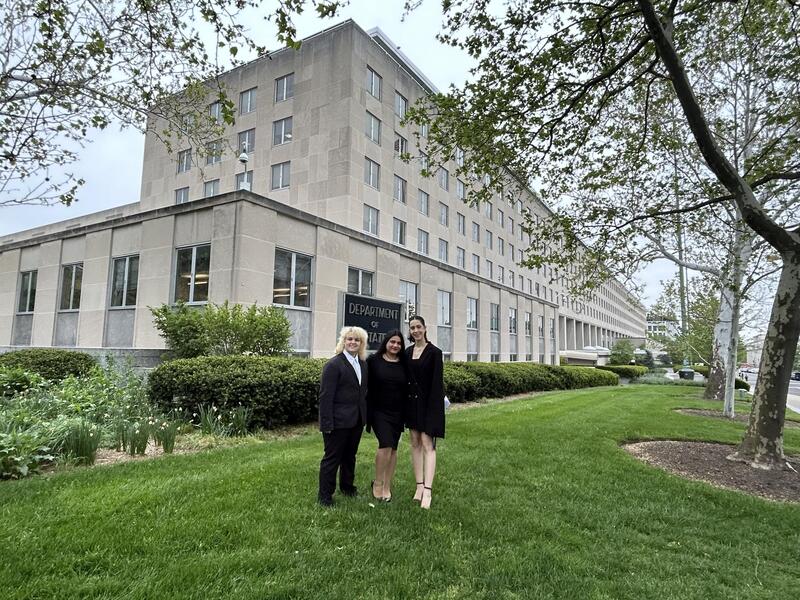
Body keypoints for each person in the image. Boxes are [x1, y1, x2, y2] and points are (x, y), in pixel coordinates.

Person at [317, 326, 369, 507]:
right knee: (332, 458)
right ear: (343, 342)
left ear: (361, 344)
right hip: (337, 422)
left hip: (356, 421)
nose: (353, 342)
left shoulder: (363, 364)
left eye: (357, 340)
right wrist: (326, 424)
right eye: (349, 339)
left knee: (350, 456)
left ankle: (347, 487)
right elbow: (325, 397)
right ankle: (325, 496)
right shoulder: (333, 365)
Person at [405, 315, 445, 510]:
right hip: (411, 405)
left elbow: (437, 385)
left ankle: (427, 490)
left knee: (427, 443)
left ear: (425, 328)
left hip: (428, 405)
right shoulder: (407, 352)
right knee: (414, 443)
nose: (415, 331)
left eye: (418, 327)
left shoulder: (435, 353)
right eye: (412, 328)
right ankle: (419, 486)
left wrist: (435, 412)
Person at [366, 329, 409, 502]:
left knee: (393, 449)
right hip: (378, 411)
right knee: (385, 444)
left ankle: (387, 485)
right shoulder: (373, 361)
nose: (395, 345)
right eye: (392, 342)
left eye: (399, 343)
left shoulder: (404, 363)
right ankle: (377, 482)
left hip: (398, 412)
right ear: (386, 342)